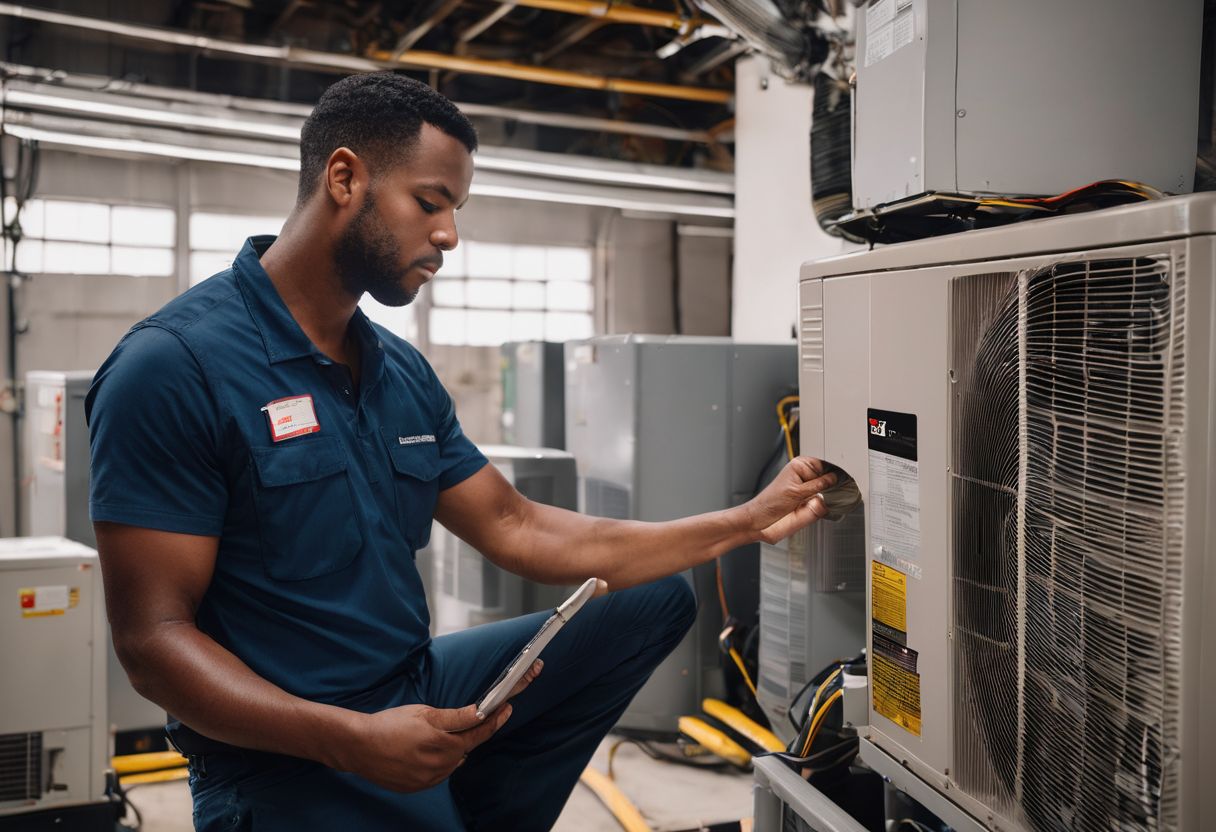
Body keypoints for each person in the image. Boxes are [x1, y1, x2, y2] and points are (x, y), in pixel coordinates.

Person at [86, 72, 837, 831]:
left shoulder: (397, 370)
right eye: (430, 202)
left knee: (652, 602)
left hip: (410, 688)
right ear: (344, 178)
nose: (448, 235)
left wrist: (745, 521)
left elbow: (519, 527)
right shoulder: (175, 366)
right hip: (287, 750)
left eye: (455, 210)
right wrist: (349, 741)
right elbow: (153, 642)